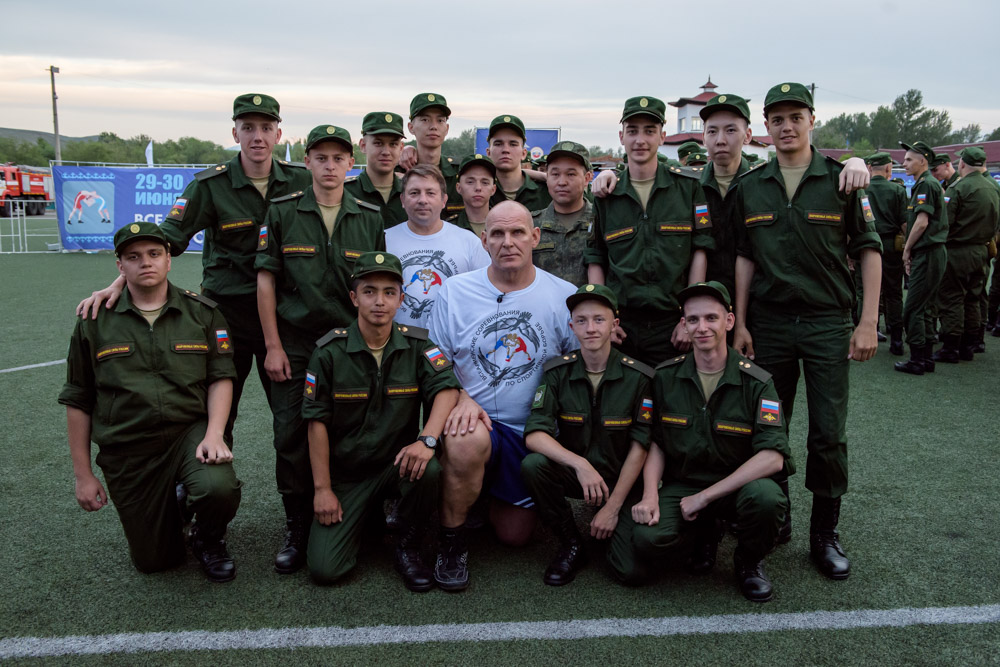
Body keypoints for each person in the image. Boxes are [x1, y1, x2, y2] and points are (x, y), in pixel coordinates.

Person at [76, 94, 311, 445]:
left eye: (266, 128)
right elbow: (163, 241)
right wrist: (118, 283)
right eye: (248, 128)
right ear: (235, 134)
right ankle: (208, 474)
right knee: (216, 414)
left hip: (283, 315)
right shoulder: (209, 186)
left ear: (279, 134)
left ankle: (299, 482)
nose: (257, 137)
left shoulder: (301, 182)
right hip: (227, 314)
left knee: (292, 420)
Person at [732, 83, 882, 581]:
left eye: (796, 117)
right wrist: (742, 323)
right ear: (766, 127)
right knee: (768, 426)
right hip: (770, 323)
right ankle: (778, 516)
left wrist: (866, 322)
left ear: (812, 121)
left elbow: (869, 250)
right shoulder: (752, 185)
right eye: (777, 119)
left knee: (828, 433)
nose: (787, 127)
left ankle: (825, 533)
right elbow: (745, 258)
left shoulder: (841, 181)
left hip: (826, 323)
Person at [58, 222, 242, 582]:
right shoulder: (94, 320)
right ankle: (174, 501)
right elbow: (78, 397)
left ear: (168, 260)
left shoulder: (202, 313)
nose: (146, 262)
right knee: (155, 561)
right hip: (129, 444)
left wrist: (214, 434)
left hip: (187, 432)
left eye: (154, 254)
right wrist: (83, 475)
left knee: (217, 488)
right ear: (120, 266)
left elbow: (221, 376)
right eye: (134, 256)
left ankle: (207, 537)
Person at [256, 124, 385, 574]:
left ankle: (363, 513)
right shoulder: (282, 210)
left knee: (355, 425)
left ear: (352, 163)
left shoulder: (368, 216)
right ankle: (296, 524)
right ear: (307, 161)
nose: (330, 166)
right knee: (290, 432)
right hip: (295, 342)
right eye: (321, 157)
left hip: (349, 343)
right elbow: (266, 280)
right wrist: (272, 345)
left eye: (338, 158)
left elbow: (376, 286)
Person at [428, 200, 578, 591]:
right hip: (474, 422)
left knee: (514, 536)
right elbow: (434, 360)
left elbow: (576, 371)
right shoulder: (454, 291)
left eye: (517, 232)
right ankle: (452, 543)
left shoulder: (564, 296)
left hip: (528, 433)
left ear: (535, 237)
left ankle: (478, 494)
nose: (507, 242)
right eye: (497, 233)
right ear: (484, 240)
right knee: (465, 439)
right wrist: (461, 395)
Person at [615, 281, 792, 602]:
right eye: (693, 320)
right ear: (683, 325)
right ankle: (703, 533)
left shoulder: (757, 382)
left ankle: (748, 561)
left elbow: (772, 457)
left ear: (729, 321)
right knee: (645, 539)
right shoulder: (665, 377)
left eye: (711, 318)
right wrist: (651, 495)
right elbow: (656, 442)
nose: (702, 327)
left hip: (736, 485)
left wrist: (705, 497)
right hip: (684, 483)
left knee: (767, 499)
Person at [302, 251, 461, 590]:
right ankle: (368, 519)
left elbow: (447, 389)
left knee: (429, 469)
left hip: (396, 465)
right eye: (369, 291)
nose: (379, 301)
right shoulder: (329, 352)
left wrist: (427, 440)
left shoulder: (417, 344)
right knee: (326, 569)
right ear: (353, 298)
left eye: (389, 293)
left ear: (401, 299)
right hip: (347, 474)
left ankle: (407, 544)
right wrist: (323, 490)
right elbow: (316, 423)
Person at [521, 284, 653, 586]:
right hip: (578, 475)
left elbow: (641, 446)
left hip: (621, 479)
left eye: (599, 320)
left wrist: (613, 507)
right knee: (534, 465)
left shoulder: (639, 377)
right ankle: (571, 542)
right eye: (581, 321)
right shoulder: (557, 372)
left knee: (630, 571)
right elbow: (535, 435)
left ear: (614, 325)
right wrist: (580, 465)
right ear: (572, 327)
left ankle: (610, 522)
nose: (590, 328)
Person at [585, 95, 713, 366]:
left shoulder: (688, 188)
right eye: (632, 131)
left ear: (662, 136)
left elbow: (700, 250)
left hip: (672, 324)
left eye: (649, 131)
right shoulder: (607, 195)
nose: (640, 140)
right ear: (621, 136)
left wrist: (689, 318)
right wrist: (604, 319)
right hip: (622, 325)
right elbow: (596, 256)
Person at [385, 164, 489, 329]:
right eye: (414, 193)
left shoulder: (469, 242)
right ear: (402, 200)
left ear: (444, 201)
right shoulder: (384, 240)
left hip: (452, 341)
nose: (422, 200)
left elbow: (487, 297)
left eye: (430, 193)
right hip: (399, 340)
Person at [932, 146, 1000, 362]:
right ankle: (969, 345)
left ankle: (951, 346)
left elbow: (945, 221)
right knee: (973, 298)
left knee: (952, 297)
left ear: (962, 163)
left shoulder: (959, 187)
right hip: (982, 249)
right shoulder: (993, 187)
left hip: (958, 251)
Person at [894, 140, 948, 374]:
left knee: (913, 309)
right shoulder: (927, 183)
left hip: (928, 252)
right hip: (931, 252)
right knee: (924, 308)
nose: (904, 163)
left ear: (923, 161)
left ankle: (917, 360)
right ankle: (925, 358)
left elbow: (922, 222)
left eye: (909, 160)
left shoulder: (926, 184)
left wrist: (907, 249)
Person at [530, 141, 595, 286]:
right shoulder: (531, 224)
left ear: (587, 178)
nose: (562, 182)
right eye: (555, 174)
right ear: (547, 177)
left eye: (571, 174)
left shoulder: (600, 221)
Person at [863, 152, 909, 355]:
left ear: (870, 168)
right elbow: (904, 223)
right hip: (891, 245)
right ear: (889, 168)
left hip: (866, 244)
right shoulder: (897, 190)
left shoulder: (863, 190)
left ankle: (867, 333)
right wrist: (909, 247)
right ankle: (896, 339)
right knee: (894, 292)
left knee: (865, 291)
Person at [403, 92, 463, 215]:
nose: (433, 126)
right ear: (411, 127)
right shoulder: (399, 171)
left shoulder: (461, 172)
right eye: (425, 120)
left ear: (447, 128)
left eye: (440, 120)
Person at [345, 111, 407, 228]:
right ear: (363, 145)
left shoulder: (411, 192)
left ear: (401, 148)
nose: (386, 152)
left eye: (393, 144)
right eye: (378, 143)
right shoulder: (345, 193)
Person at [486, 115, 552, 212]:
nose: (505, 150)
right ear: (488, 153)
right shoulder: (478, 191)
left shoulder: (547, 192)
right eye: (498, 144)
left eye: (513, 144)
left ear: (523, 153)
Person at [449, 154, 497, 236]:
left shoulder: (505, 225)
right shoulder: (449, 228)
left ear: (493, 189)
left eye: (485, 182)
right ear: (459, 187)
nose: (478, 188)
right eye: (470, 182)